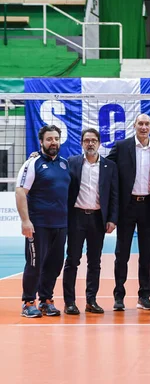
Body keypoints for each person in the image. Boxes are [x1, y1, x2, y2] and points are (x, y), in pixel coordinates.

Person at [107, 113, 150, 311]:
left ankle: (144, 295)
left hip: (148, 205)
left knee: (146, 254)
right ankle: (119, 296)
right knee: (121, 253)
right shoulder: (122, 146)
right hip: (127, 206)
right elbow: (104, 165)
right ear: (134, 126)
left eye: (147, 124)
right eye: (140, 123)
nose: (143, 127)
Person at [16, 125, 70, 317]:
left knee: (54, 265)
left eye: (56, 138)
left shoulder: (65, 164)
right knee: (34, 263)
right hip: (38, 225)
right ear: (41, 142)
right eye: (49, 139)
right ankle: (28, 301)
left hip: (61, 224)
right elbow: (20, 191)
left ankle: (46, 300)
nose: (53, 142)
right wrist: (25, 221)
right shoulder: (33, 163)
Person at [63, 128, 119, 315]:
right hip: (76, 217)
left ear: (99, 143)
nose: (90, 143)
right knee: (72, 260)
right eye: (87, 140)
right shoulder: (71, 163)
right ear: (81, 143)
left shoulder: (109, 166)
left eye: (94, 140)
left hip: (97, 218)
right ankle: (69, 302)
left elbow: (114, 195)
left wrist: (112, 219)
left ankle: (91, 300)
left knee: (94, 262)